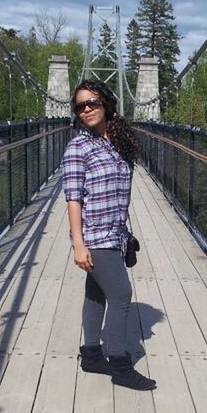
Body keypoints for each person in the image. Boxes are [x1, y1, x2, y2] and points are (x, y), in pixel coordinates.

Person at [61, 78, 156, 390]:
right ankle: (119, 364)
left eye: (92, 102)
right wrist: (78, 243)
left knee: (97, 292)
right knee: (120, 294)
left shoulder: (118, 141)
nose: (86, 109)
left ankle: (90, 356)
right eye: (80, 106)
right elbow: (73, 197)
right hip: (94, 235)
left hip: (116, 232)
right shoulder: (79, 146)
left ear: (106, 103)